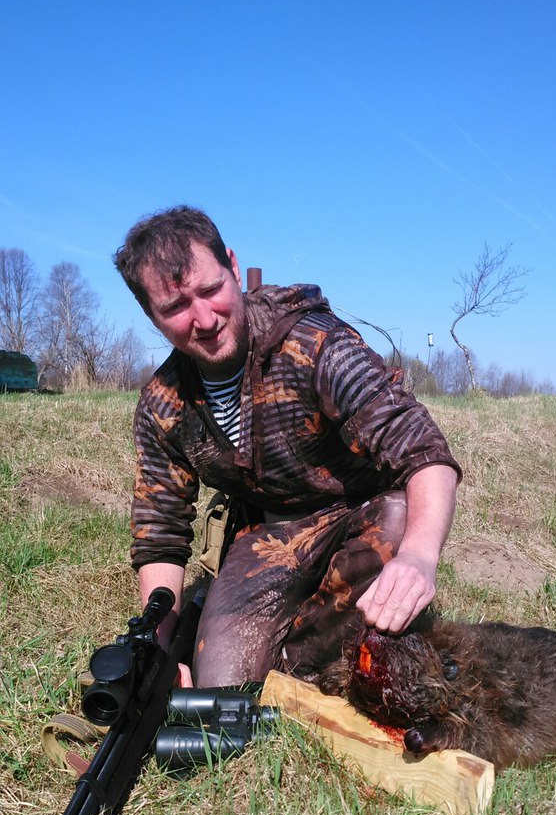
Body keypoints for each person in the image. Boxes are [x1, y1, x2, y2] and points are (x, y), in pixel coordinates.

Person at [114, 206, 461, 688]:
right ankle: (311, 645)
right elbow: (160, 532)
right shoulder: (162, 405)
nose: (204, 319)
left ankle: (322, 652)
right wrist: (158, 649)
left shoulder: (316, 344)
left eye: (211, 290)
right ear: (151, 316)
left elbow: (424, 451)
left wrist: (419, 556)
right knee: (222, 687)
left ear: (233, 268)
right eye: (175, 308)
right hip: (272, 532)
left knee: (400, 521)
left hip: (364, 510)